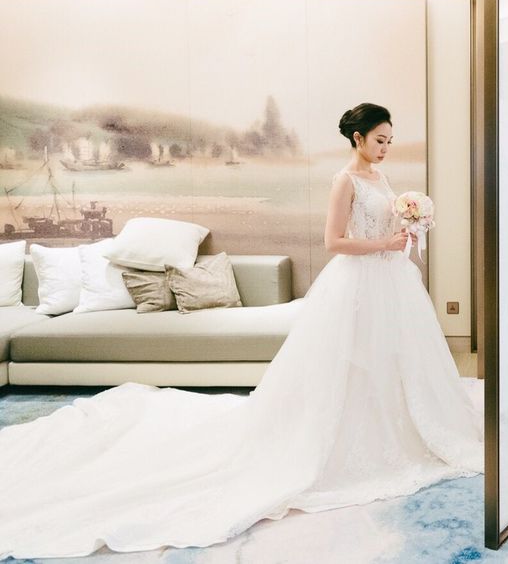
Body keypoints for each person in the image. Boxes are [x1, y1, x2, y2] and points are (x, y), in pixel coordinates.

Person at [0, 102, 483, 559]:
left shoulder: (380, 176)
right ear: (357, 138)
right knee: (350, 360)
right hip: (359, 279)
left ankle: (397, 423)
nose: (385, 148)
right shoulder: (345, 180)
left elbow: (382, 219)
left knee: (393, 357)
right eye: (379, 140)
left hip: (390, 278)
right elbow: (334, 241)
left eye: (390, 141)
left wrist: (407, 224)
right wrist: (383, 243)